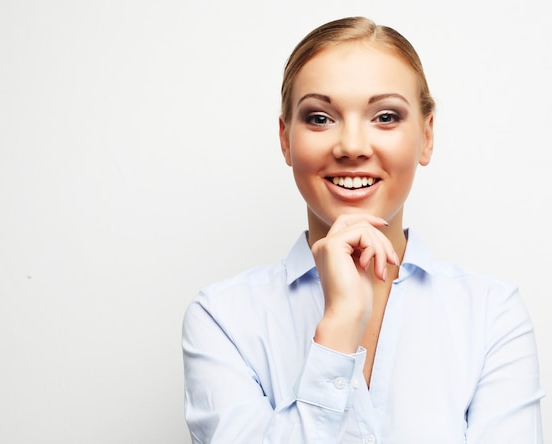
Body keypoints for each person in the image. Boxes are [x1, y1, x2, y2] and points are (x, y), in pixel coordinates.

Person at [181, 16, 544, 443]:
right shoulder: (223, 318)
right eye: (319, 118)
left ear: (426, 136)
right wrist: (339, 325)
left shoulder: (492, 315)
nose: (351, 146)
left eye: (385, 116)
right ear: (285, 139)